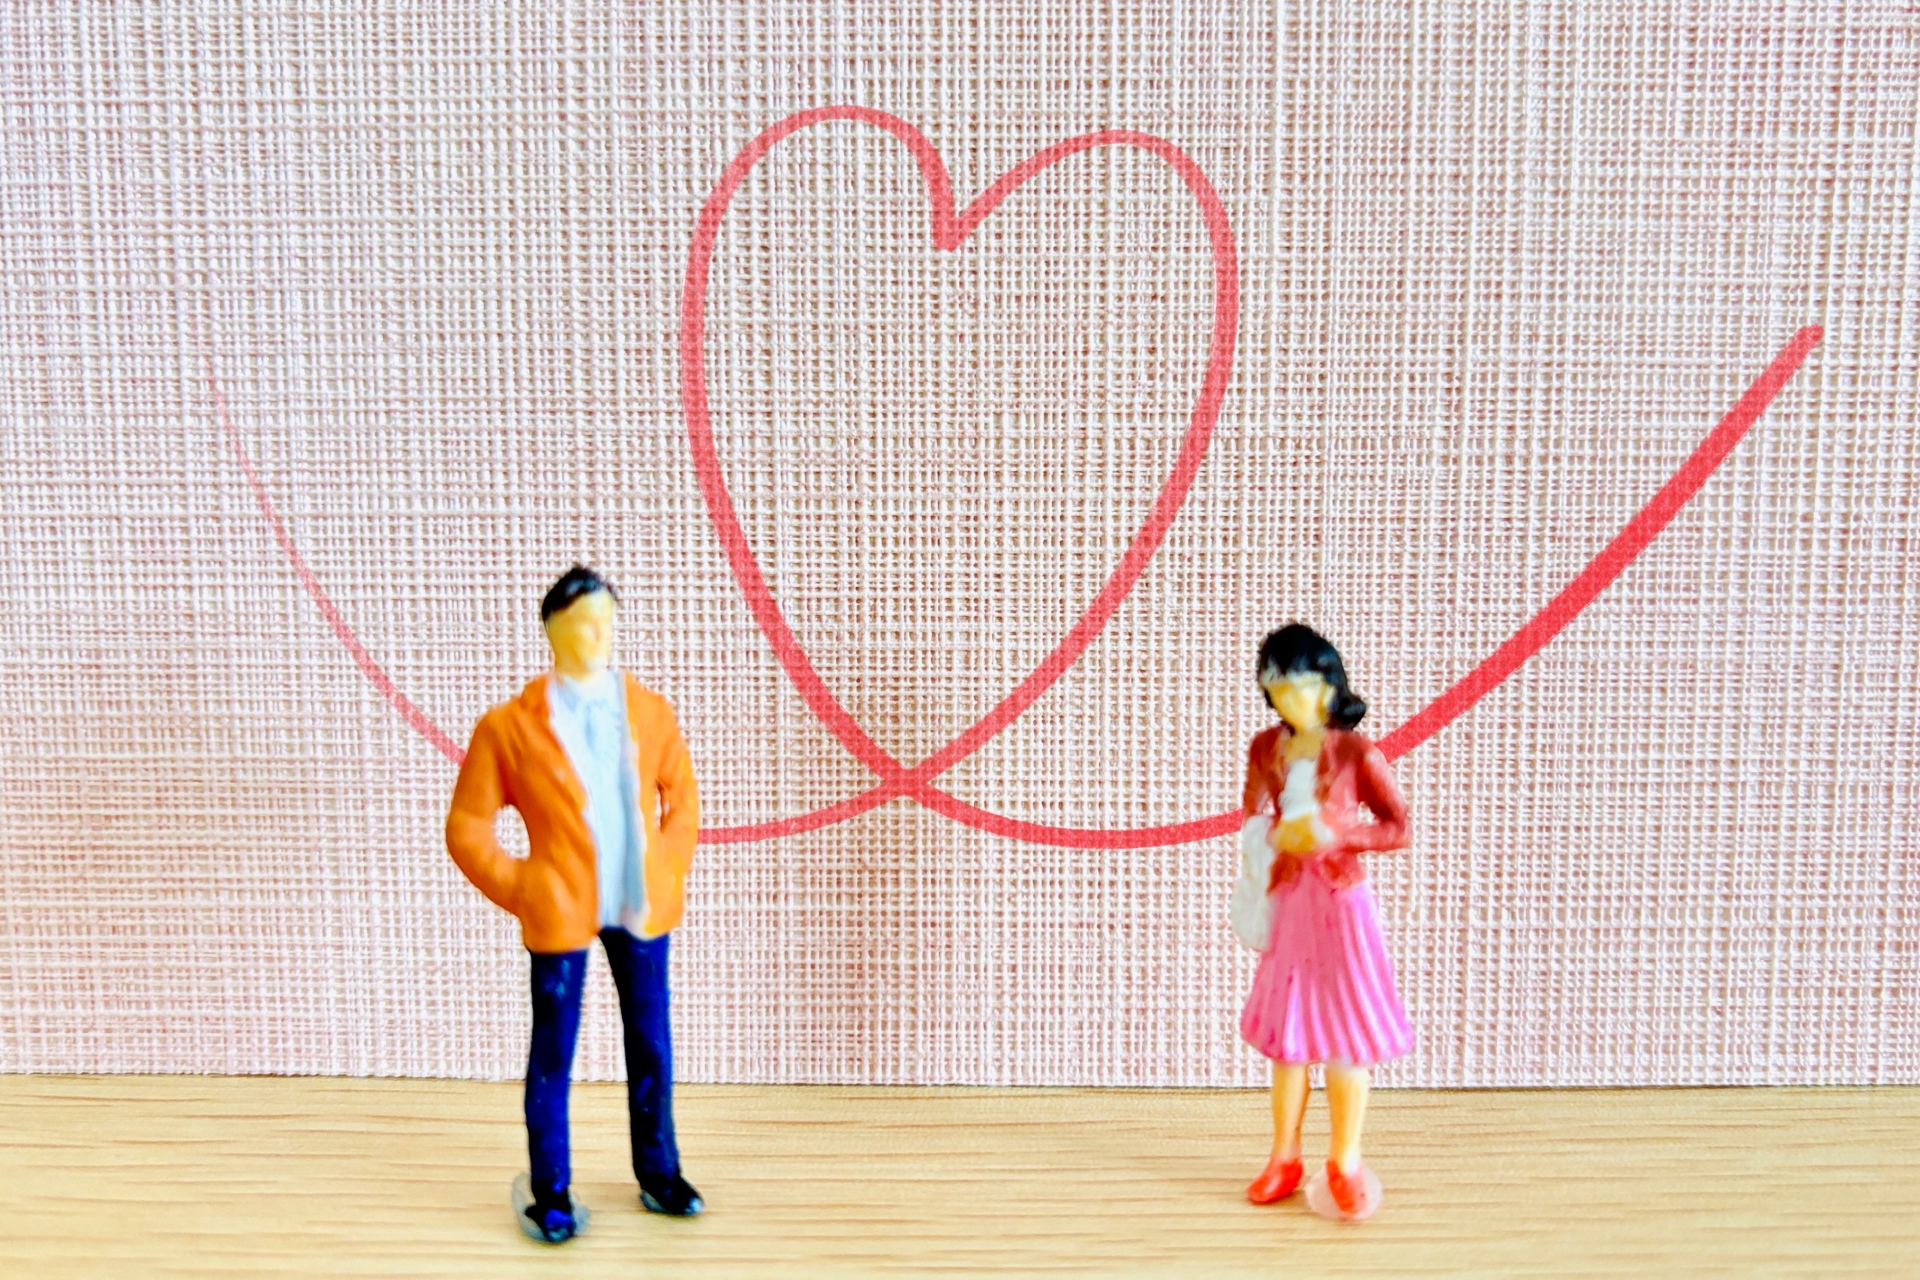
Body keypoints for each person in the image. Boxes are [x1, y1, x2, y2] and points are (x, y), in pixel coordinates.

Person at [446, 564, 703, 1242]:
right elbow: (468, 827)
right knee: (554, 1052)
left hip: (639, 902)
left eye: (607, 622)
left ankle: (660, 1171)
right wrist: (520, 886)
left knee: (651, 1042)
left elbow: (682, 799)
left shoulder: (650, 712)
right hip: (560, 905)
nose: (600, 636)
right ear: (553, 630)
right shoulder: (509, 727)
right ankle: (551, 1190)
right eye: (585, 624)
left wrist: (669, 865)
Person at [1230, 623, 1412, 1220]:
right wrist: (1268, 836)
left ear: (1329, 685)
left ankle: (1345, 1161)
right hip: (1290, 899)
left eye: (1299, 685)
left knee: (1345, 1041)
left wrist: (1337, 833)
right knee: (1288, 1044)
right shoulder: (1266, 748)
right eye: (1276, 687)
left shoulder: (1357, 753)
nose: (1288, 700)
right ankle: (1283, 1156)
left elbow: (1397, 827)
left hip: (1340, 904)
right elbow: (1251, 814)